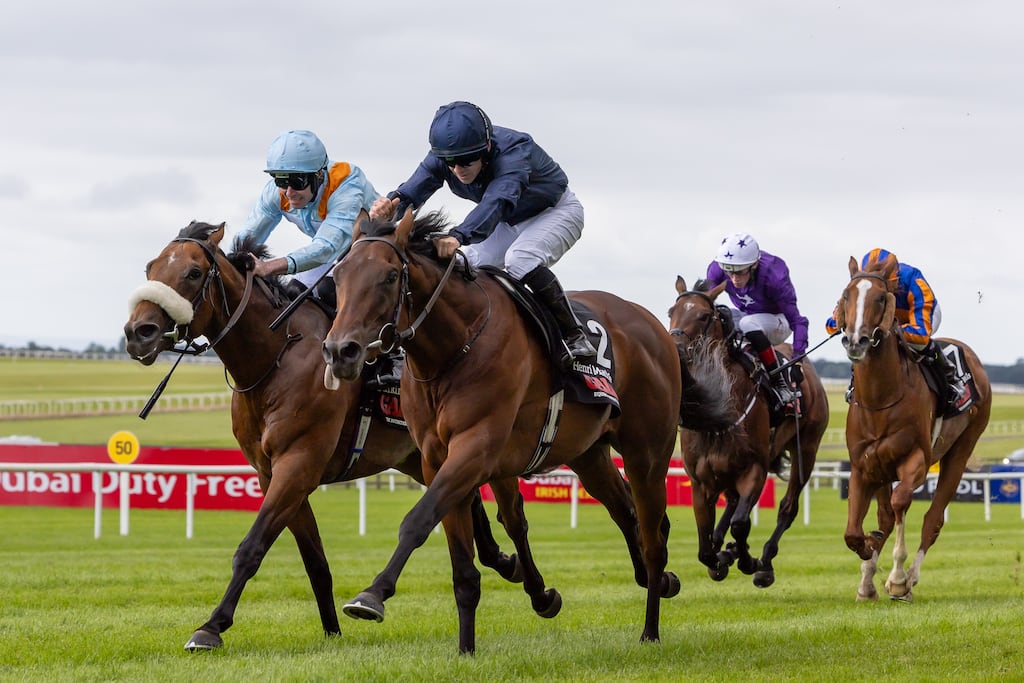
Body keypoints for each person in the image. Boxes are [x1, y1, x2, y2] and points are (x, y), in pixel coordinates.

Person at [369, 101, 596, 365]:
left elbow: (497, 202)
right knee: (467, 264)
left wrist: (459, 235)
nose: (457, 169)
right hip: (507, 221)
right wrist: (392, 203)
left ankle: (573, 334)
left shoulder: (515, 152)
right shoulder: (445, 155)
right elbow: (413, 190)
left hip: (555, 212)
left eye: (465, 161)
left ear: (487, 148)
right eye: (450, 162)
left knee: (520, 259)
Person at [235, 129, 379, 296]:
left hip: (374, 251)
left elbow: (326, 247)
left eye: (297, 182)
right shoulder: (276, 193)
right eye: (281, 180)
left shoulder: (345, 185)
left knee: (328, 290)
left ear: (319, 175)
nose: (288, 192)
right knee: (293, 292)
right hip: (334, 254)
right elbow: (247, 236)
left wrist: (268, 267)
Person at [826, 248, 962, 404]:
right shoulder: (861, 287)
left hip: (917, 318)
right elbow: (831, 324)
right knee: (863, 343)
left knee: (918, 345)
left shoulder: (913, 280)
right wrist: (849, 326)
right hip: (884, 323)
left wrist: (888, 332)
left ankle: (950, 378)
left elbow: (921, 334)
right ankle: (854, 383)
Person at [705, 232, 809, 409]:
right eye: (729, 272)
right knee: (719, 316)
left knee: (747, 324)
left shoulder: (774, 275)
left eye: (740, 272)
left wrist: (797, 360)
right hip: (745, 315)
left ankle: (779, 384)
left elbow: (798, 322)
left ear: (753, 265)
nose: (734, 279)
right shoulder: (717, 268)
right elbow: (704, 304)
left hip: (778, 321)